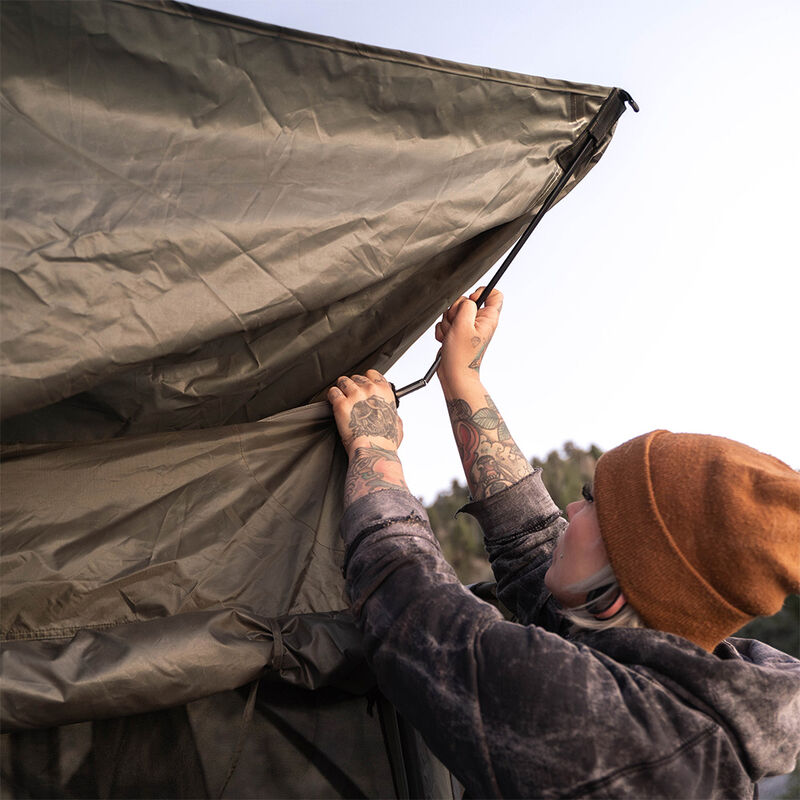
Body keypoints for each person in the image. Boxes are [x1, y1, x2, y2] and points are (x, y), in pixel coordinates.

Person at [327, 288, 800, 798]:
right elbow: (534, 548)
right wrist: (461, 377)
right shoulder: (682, 685)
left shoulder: (608, 735)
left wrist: (372, 445)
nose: (570, 510)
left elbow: (412, 612)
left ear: (620, 589)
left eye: (592, 505)